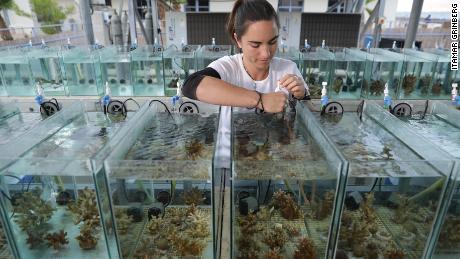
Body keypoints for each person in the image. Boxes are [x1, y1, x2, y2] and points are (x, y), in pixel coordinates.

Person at [181, 0, 309, 113]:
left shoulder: (288, 69)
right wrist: (260, 99)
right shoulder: (228, 67)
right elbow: (190, 85)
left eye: (272, 42)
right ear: (238, 40)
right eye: (255, 44)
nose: (266, 53)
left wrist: (301, 94)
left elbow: (310, 112)